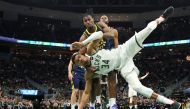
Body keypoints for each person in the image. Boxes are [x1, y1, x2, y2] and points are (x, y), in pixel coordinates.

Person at [70, 6, 181, 109]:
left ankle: (162, 18)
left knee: (146, 30)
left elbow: (99, 34)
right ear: (78, 65)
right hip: (123, 66)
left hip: (125, 49)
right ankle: (171, 103)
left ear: (81, 54)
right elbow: (86, 93)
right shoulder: (89, 73)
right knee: (137, 87)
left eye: (79, 57)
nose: (80, 59)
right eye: (78, 61)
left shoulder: (90, 50)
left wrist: (83, 43)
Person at [78, 14, 116, 109]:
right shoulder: (83, 37)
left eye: (89, 19)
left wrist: (98, 35)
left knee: (112, 75)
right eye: (85, 21)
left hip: (105, 54)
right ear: (84, 23)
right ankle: (92, 104)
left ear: (93, 20)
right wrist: (87, 67)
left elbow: (111, 34)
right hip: (93, 59)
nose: (88, 22)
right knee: (93, 82)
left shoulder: (100, 25)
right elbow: (80, 56)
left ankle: (112, 104)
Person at [99, 15, 119, 109]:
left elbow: (116, 46)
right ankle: (97, 101)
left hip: (111, 56)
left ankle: (112, 103)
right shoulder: (96, 30)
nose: (103, 18)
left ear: (108, 20)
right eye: (101, 17)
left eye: (105, 17)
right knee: (96, 80)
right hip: (99, 56)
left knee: (112, 79)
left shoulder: (114, 31)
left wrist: (117, 57)